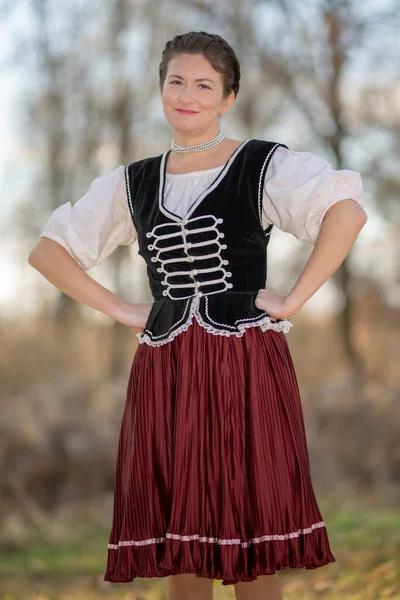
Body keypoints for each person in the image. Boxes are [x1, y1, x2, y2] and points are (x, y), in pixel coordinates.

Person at [28, 31, 367, 600]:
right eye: (176, 81)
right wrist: (121, 308)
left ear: (227, 97)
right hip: (168, 364)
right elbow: (47, 252)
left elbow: (347, 212)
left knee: (249, 528)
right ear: (161, 89)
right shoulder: (131, 182)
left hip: (243, 356)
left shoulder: (261, 163)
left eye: (204, 84)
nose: (187, 95)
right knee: (182, 529)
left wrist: (295, 298)